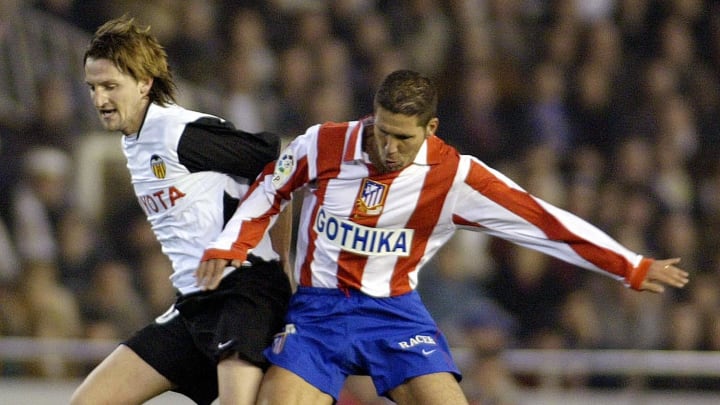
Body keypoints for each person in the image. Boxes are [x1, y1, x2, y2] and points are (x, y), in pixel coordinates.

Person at [196, 69, 690, 404]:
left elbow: (541, 220)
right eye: (382, 131)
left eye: (403, 138)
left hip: (393, 313)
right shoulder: (324, 143)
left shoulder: (456, 177)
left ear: (431, 127)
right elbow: (270, 189)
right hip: (318, 312)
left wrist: (629, 264)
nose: (389, 147)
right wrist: (229, 245)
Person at [71, 16, 292, 405]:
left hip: (244, 293)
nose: (99, 100)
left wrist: (283, 262)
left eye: (110, 87)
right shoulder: (134, 140)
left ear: (144, 83)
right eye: (92, 88)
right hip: (194, 304)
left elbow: (281, 163)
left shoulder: (177, 130)